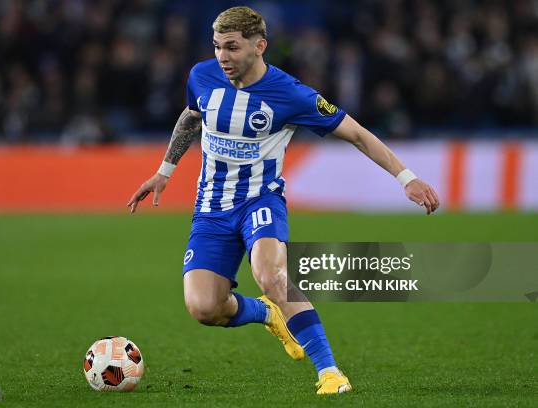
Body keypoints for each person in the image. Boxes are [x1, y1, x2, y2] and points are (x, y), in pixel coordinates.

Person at [127, 6, 439, 395]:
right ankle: (265, 312)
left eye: (232, 48)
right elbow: (192, 117)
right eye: (217, 47)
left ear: (260, 47)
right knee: (204, 308)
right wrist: (165, 170)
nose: (222, 56)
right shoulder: (201, 76)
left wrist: (405, 178)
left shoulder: (290, 93)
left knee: (272, 275)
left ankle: (329, 372)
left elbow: (357, 133)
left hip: (260, 201)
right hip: (211, 208)